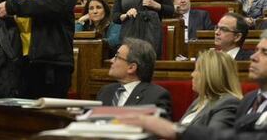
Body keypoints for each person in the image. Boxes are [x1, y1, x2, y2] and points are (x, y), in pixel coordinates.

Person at [116, 30, 267, 140]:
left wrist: (173, 129)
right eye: (256, 51)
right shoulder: (248, 99)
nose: (253, 57)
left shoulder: (229, 102)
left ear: (211, 74)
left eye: (264, 52)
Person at [96, 38, 172, 118]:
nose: (111, 60)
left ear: (131, 68)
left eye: (117, 57)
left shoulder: (156, 95)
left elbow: (161, 127)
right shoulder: (106, 91)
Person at [180, 49, 242, 127]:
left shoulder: (228, 103)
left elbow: (214, 135)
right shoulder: (201, 100)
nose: (192, 74)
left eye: (197, 70)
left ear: (212, 75)